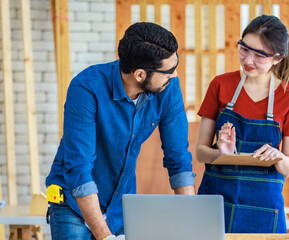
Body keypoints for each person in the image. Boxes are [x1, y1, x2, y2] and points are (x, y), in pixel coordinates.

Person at [46, 22, 196, 240]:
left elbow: (178, 158)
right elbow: (79, 169)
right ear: (140, 74)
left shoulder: (168, 88)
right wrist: (105, 237)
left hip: (120, 207)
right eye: (168, 71)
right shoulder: (86, 88)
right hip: (73, 204)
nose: (174, 76)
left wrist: (191, 223)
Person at [195, 15, 289, 233]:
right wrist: (222, 154)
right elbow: (200, 152)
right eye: (244, 49)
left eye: (259, 55)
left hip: (263, 210)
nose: (248, 60)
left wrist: (278, 157)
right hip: (215, 203)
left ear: (278, 58)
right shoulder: (220, 85)